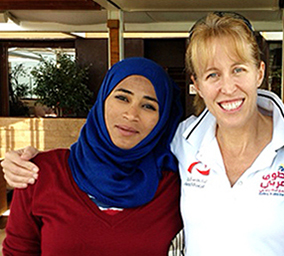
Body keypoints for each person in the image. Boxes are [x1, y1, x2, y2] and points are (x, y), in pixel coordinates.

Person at [2, 12, 284, 256]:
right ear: (195, 84)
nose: (227, 87)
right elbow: (124, 146)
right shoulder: (181, 139)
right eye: (212, 74)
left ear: (260, 72)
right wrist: (28, 158)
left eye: (239, 70)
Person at [2, 57, 183, 255]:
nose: (131, 114)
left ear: (162, 118)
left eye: (148, 106)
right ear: (103, 100)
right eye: (122, 98)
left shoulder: (175, 185)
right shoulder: (38, 173)